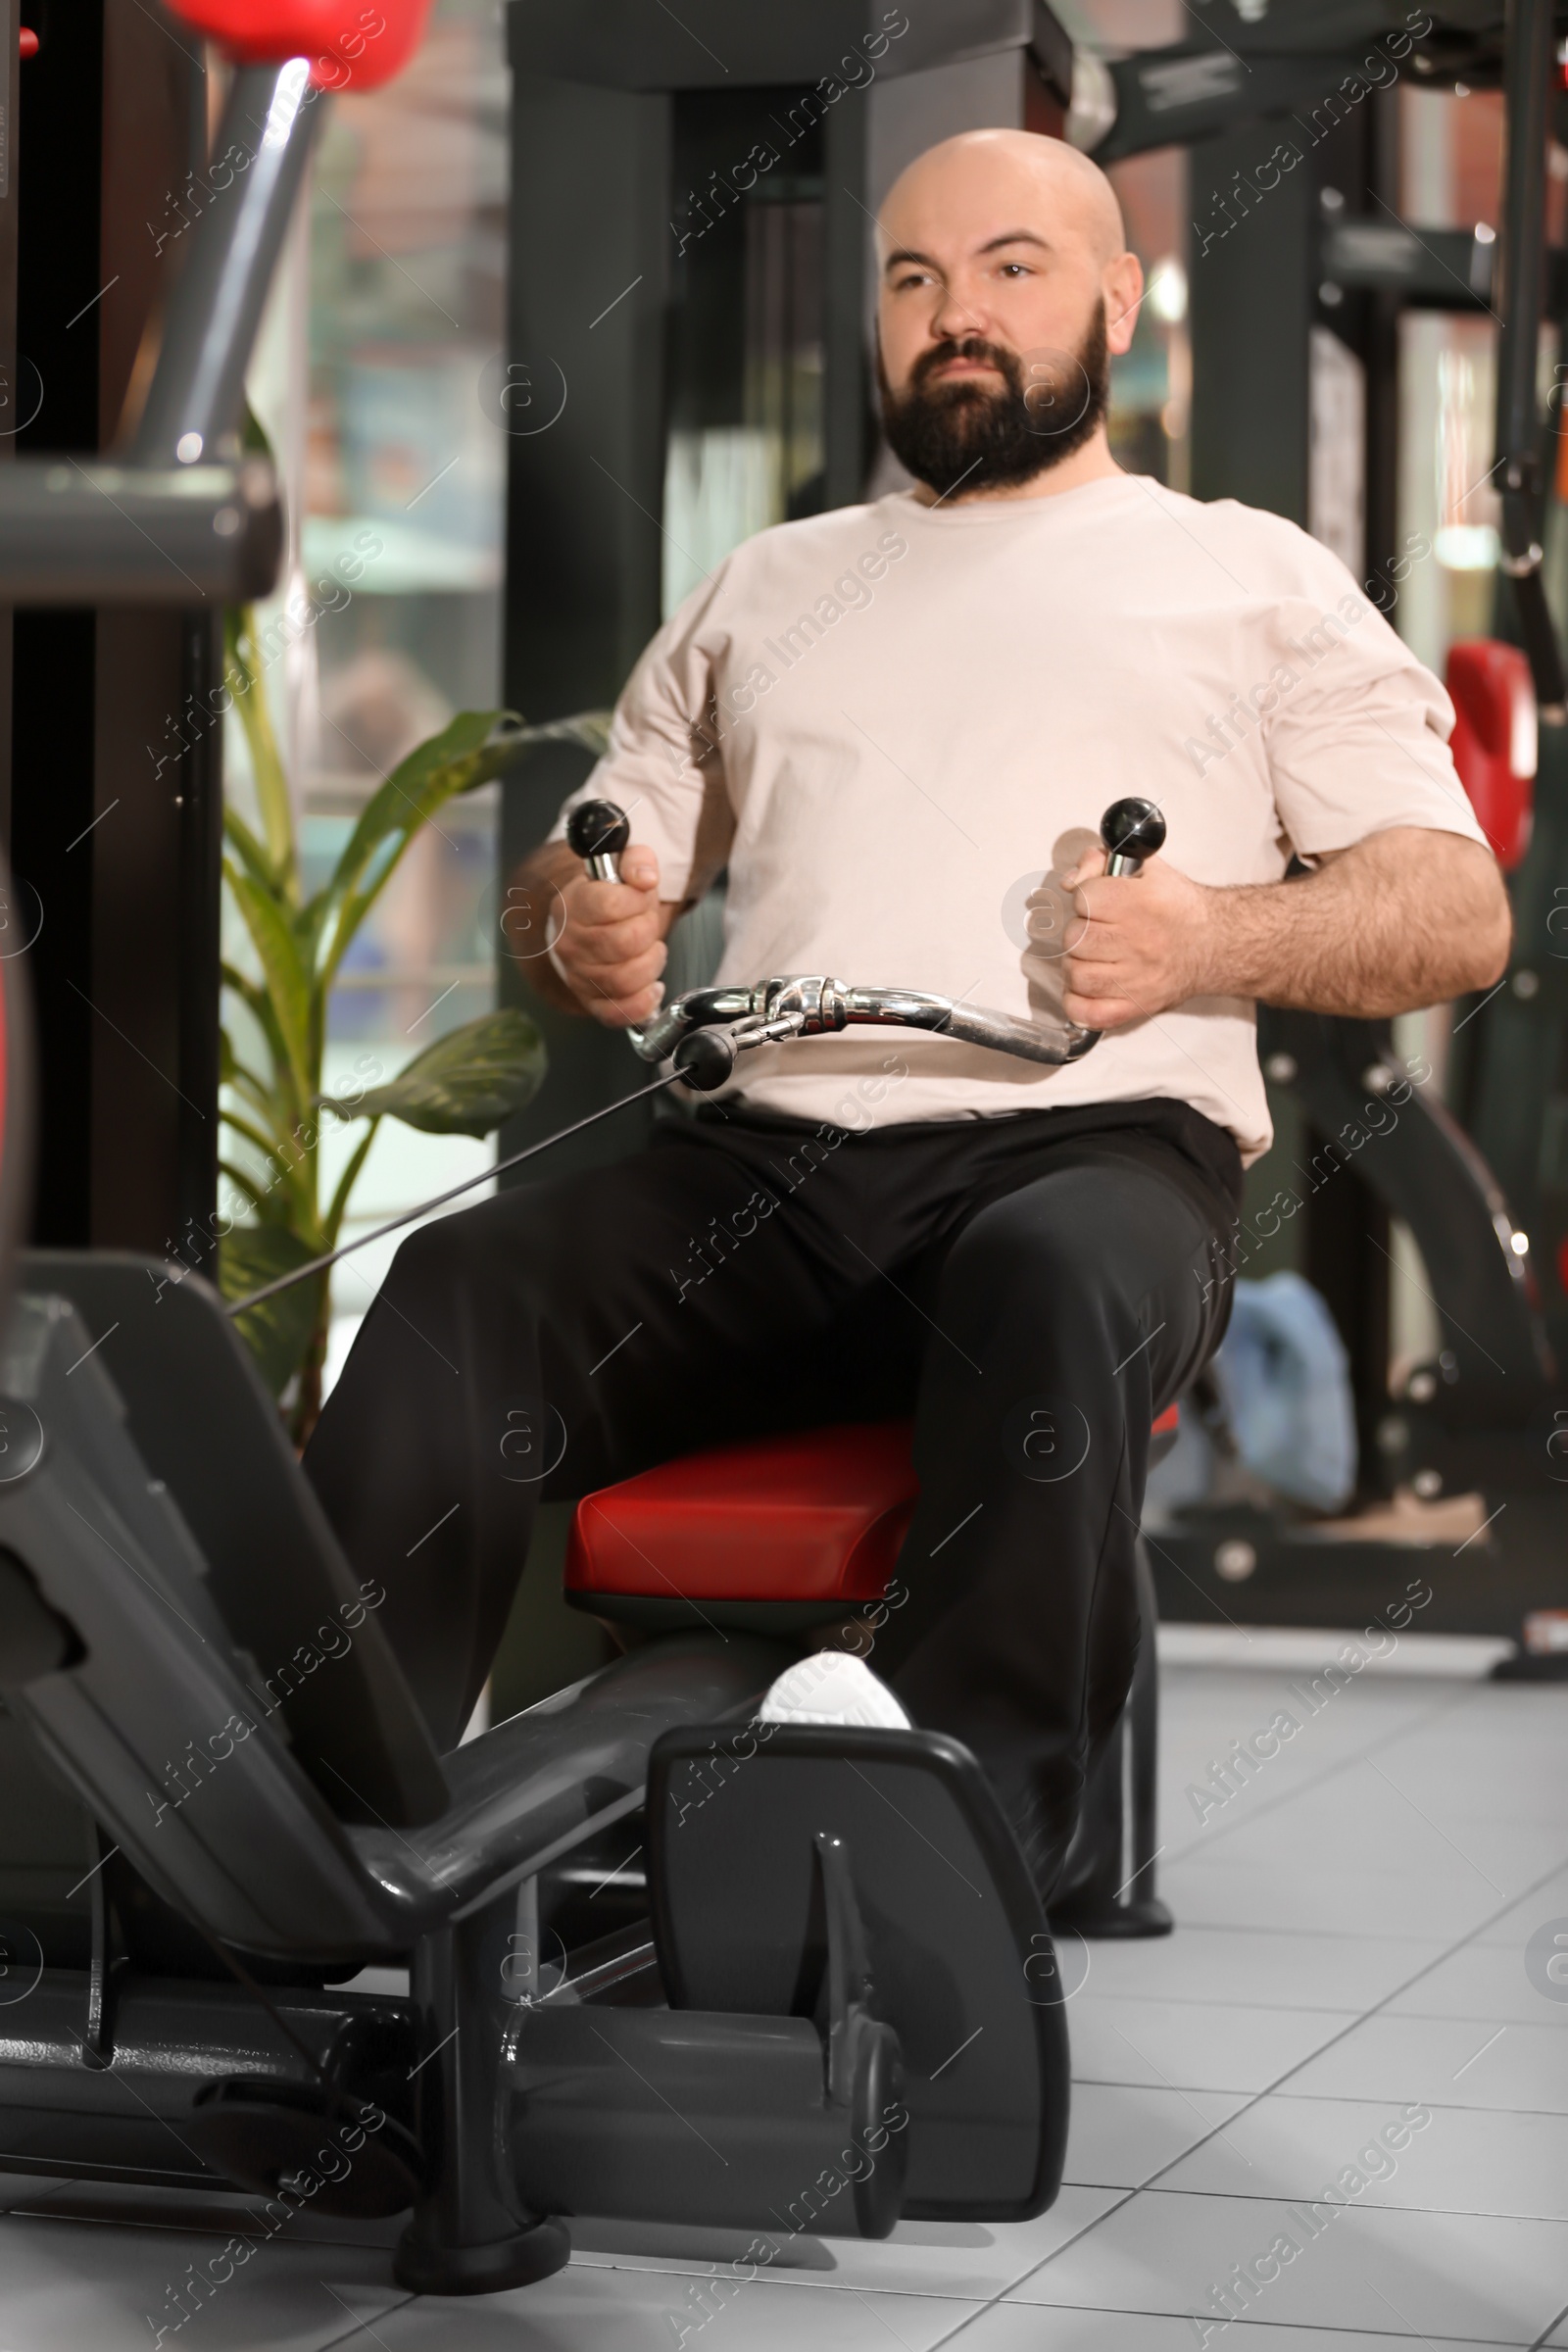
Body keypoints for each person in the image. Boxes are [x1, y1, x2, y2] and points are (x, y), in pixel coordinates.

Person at [305, 129, 1508, 1899]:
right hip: (762, 1178)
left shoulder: (1249, 577)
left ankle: (941, 1905)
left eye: (1012, 269)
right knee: (456, 1293)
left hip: (1089, 1158)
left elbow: (1455, 911)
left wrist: (1201, 941)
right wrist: (588, 926)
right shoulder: (769, 586)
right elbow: (588, 866)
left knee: (1052, 1279)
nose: (957, 316)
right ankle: (326, 1861)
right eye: (914, 279)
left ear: (1114, 299)